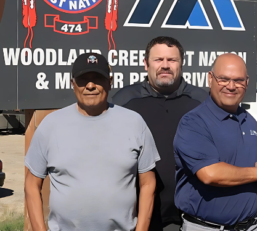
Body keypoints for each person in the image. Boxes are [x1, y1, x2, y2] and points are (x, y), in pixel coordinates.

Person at [25, 53, 160, 231]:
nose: (90, 86)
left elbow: (148, 183)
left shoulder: (134, 123)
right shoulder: (50, 125)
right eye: (83, 79)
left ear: (110, 82)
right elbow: (31, 183)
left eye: (97, 78)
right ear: (73, 84)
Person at [112, 36, 208, 231]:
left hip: (191, 215)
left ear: (182, 63)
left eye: (172, 60)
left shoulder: (202, 101)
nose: (165, 65)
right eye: (158, 60)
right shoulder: (123, 101)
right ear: (145, 63)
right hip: (137, 215)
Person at [173, 53, 257, 231]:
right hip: (207, 227)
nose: (231, 86)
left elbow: (247, 171)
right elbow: (210, 174)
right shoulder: (194, 122)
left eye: (238, 80)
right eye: (224, 79)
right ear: (210, 79)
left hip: (253, 225)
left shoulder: (250, 122)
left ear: (247, 82)